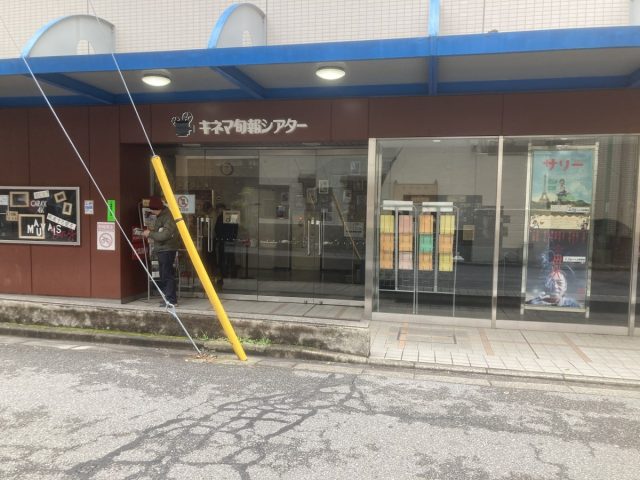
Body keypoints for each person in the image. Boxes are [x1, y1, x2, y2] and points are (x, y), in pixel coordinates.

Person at [143, 196, 180, 306]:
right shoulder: (161, 216)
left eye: (153, 210)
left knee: (167, 275)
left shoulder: (167, 217)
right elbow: (160, 232)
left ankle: (171, 300)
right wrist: (152, 234)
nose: (152, 212)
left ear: (157, 208)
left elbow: (164, 235)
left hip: (167, 249)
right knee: (164, 275)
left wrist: (150, 234)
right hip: (163, 249)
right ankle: (168, 298)